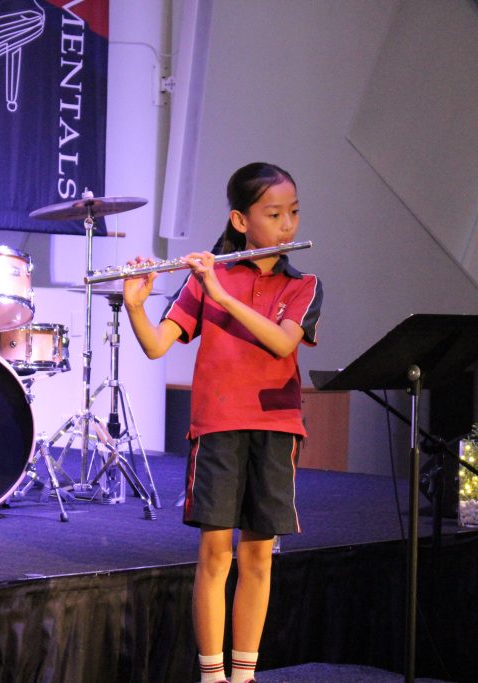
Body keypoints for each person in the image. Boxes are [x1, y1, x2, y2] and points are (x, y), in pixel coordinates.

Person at [122, 162, 323, 683]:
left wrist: (223, 296)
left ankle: (245, 675)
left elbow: (281, 342)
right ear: (240, 220)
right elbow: (156, 346)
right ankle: (213, 677)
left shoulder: (303, 285)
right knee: (215, 554)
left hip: (276, 426)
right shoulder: (206, 280)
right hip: (217, 424)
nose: (287, 224)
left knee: (258, 557)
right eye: (273, 214)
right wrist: (136, 307)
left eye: (293, 212)